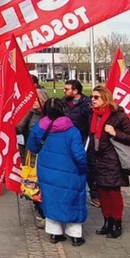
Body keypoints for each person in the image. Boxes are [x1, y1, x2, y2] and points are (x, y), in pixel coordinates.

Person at [26, 98, 89, 245]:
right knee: (73, 201)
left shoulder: (39, 127)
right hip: (70, 171)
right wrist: (84, 167)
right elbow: (79, 154)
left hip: (47, 171)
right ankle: (75, 236)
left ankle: (55, 234)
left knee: (51, 200)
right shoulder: (72, 130)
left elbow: (32, 146)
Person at [86, 85, 130, 240]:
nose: (93, 100)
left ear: (105, 98)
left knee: (113, 192)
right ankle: (107, 221)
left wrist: (115, 133)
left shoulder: (118, 116)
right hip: (97, 159)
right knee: (102, 192)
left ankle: (117, 223)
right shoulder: (93, 115)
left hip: (112, 160)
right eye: (92, 97)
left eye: (96, 97)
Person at [63, 80, 97, 207]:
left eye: (67, 89)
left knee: (86, 167)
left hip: (83, 139)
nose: (64, 91)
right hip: (67, 140)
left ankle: (94, 194)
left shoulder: (86, 104)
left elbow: (90, 122)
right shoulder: (64, 102)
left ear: (75, 91)